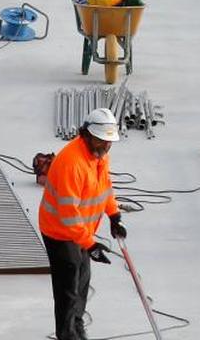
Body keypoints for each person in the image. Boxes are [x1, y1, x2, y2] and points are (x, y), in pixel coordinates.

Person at [39, 108, 127, 340]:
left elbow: (104, 187)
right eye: (101, 141)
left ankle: (76, 326)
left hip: (80, 232)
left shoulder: (98, 155)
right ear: (86, 135)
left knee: (82, 280)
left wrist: (114, 215)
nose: (106, 147)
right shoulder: (72, 163)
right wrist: (91, 244)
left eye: (109, 142)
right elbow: (68, 214)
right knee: (68, 286)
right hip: (60, 231)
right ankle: (67, 335)